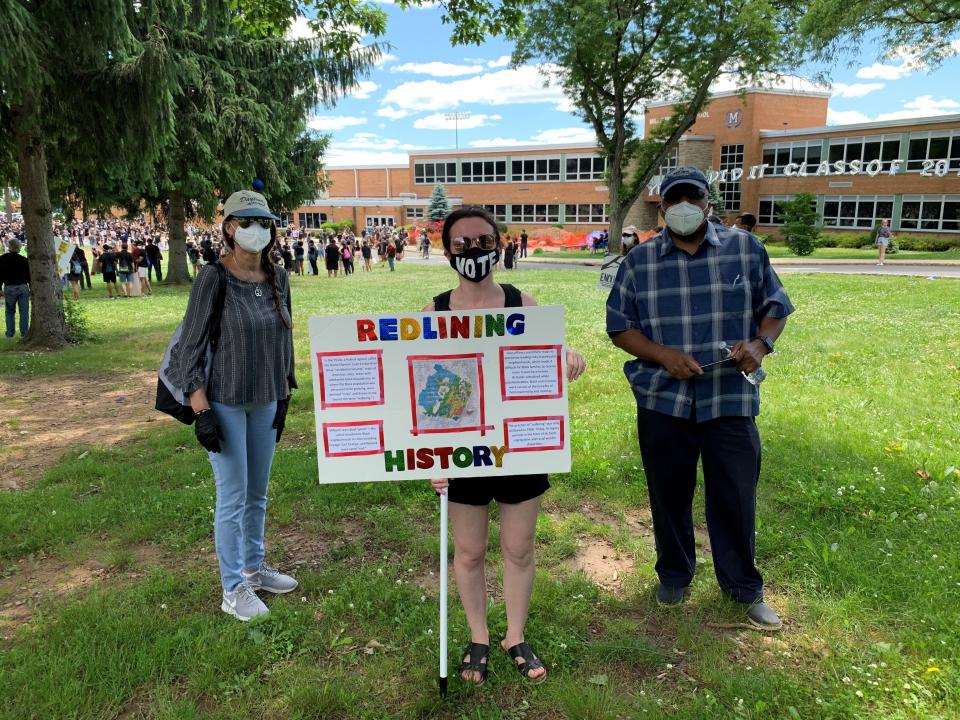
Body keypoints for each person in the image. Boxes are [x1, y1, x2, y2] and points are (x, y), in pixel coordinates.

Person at [605, 166, 793, 631]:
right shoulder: (640, 261)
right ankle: (674, 574)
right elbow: (619, 327)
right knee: (668, 494)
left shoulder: (745, 248)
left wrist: (760, 345)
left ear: (708, 204)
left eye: (694, 197)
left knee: (735, 495)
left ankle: (743, 587)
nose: (685, 206)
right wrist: (662, 354)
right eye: (675, 200)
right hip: (662, 399)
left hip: (728, 398)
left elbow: (775, 309)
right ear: (663, 207)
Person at [428, 207, 586, 686]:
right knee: (470, 551)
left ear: (498, 243)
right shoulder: (433, 313)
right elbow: (420, 396)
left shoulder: (522, 302)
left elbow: (543, 356)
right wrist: (430, 456)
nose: (473, 250)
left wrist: (566, 354)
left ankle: (514, 634)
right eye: (462, 243)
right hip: (462, 452)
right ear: (448, 250)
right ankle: (478, 635)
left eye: (482, 240)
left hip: (518, 447)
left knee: (519, 548)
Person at [166, 189, 298, 622]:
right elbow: (190, 347)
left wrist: (285, 392)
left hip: (266, 400)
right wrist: (200, 410)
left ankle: (254, 568)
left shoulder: (279, 278)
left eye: (263, 223)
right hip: (222, 403)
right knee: (233, 495)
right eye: (246, 222)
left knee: (257, 493)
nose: (256, 231)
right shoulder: (213, 278)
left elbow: (285, 340)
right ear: (228, 227)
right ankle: (232, 588)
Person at [0, 238, 30, 338]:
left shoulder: (2, 259)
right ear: (19, 247)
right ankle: (24, 333)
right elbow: (29, 275)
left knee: (9, 312)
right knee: (24, 312)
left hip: (9, 287)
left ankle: (10, 333)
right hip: (23, 287)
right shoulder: (23, 260)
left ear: (9, 247)